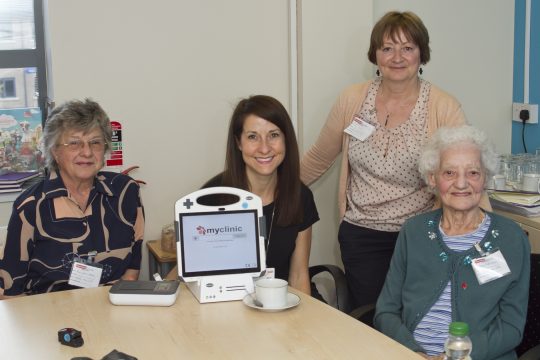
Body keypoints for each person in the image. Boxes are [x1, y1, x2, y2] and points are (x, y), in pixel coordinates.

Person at [300, 11, 470, 309]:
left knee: (416, 320)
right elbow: (318, 158)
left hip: (422, 235)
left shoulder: (443, 106)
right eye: (387, 48)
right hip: (361, 234)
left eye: (408, 48)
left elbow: (466, 173)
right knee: (373, 319)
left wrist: (493, 234)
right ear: (375, 55)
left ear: (422, 53)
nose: (397, 57)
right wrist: (264, 189)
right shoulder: (352, 99)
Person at [374, 125, 530, 360]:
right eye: (449, 173)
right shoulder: (413, 231)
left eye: (473, 173)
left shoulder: (510, 238)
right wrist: (415, 353)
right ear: (432, 178)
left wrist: (458, 356)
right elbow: (386, 311)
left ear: (485, 177)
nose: (461, 183)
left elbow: (511, 327)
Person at [168, 95, 319, 295]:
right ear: (238, 143)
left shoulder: (300, 196)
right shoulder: (212, 197)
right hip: (224, 307)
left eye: (273, 135)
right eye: (252, 137)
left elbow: (299, 276)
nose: (264, 148)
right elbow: (188, 272)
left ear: (286, 140)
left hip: (278, 306)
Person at [0, 99, 145, 298]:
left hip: (111, 309)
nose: (86, 152)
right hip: (48, 315)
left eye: (95, 142)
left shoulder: (125, 191)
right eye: (74, 143)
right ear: (55, 151)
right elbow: (11, 290)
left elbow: (132, 266)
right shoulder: (31, 205)